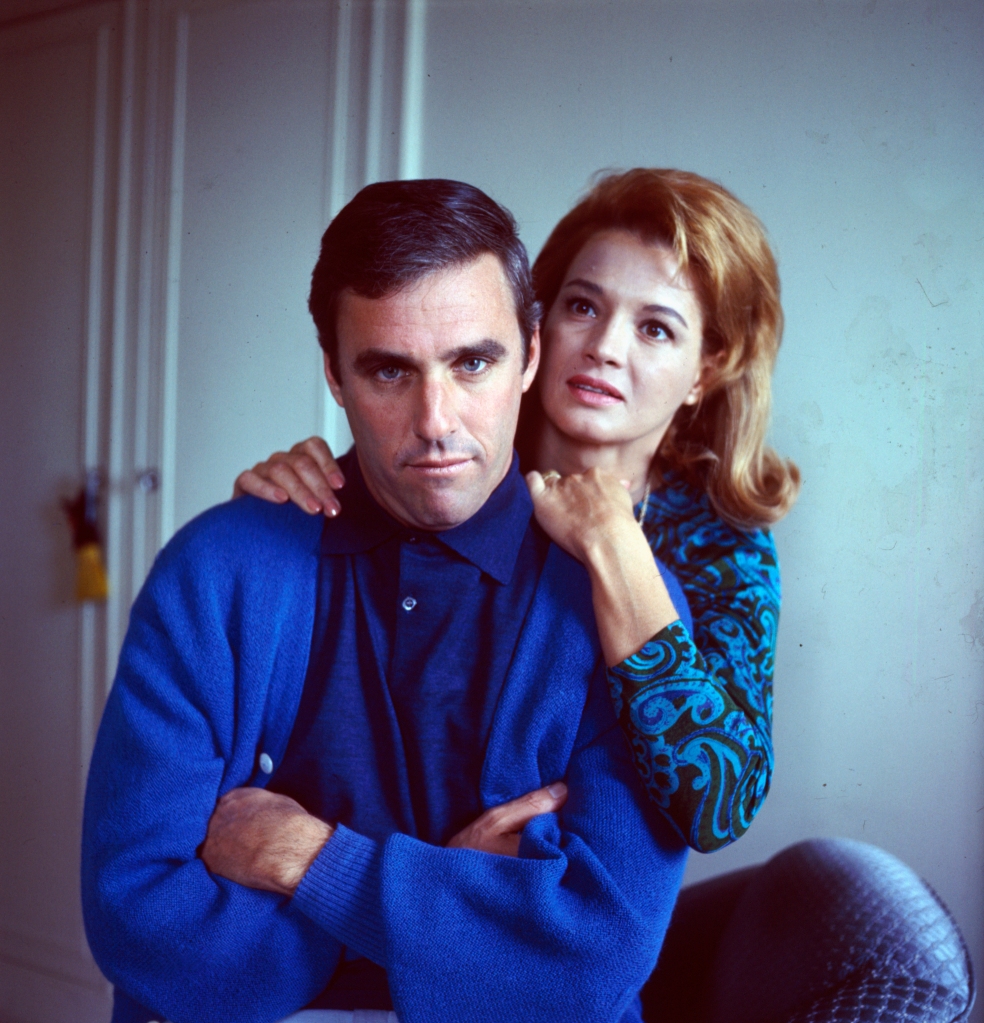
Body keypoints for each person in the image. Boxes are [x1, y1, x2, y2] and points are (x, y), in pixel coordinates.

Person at [81, 179, 695, 1023]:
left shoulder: (623, 603)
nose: (435, 420)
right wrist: (452, 899)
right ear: (335, 375)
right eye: (388, 370)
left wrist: (309, 861)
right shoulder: (215, 571)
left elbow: (590, 960)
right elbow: (140, 920)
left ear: (532, 351)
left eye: (473, 362)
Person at [234, 168, 800, 853]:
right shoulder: (451, 457)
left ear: (706, 370)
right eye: (583, 307)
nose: (604, 348)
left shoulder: (720, 542)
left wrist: (616, 549)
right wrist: (273, 525)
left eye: (655, 329)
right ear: (537, 326)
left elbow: (719, 806)